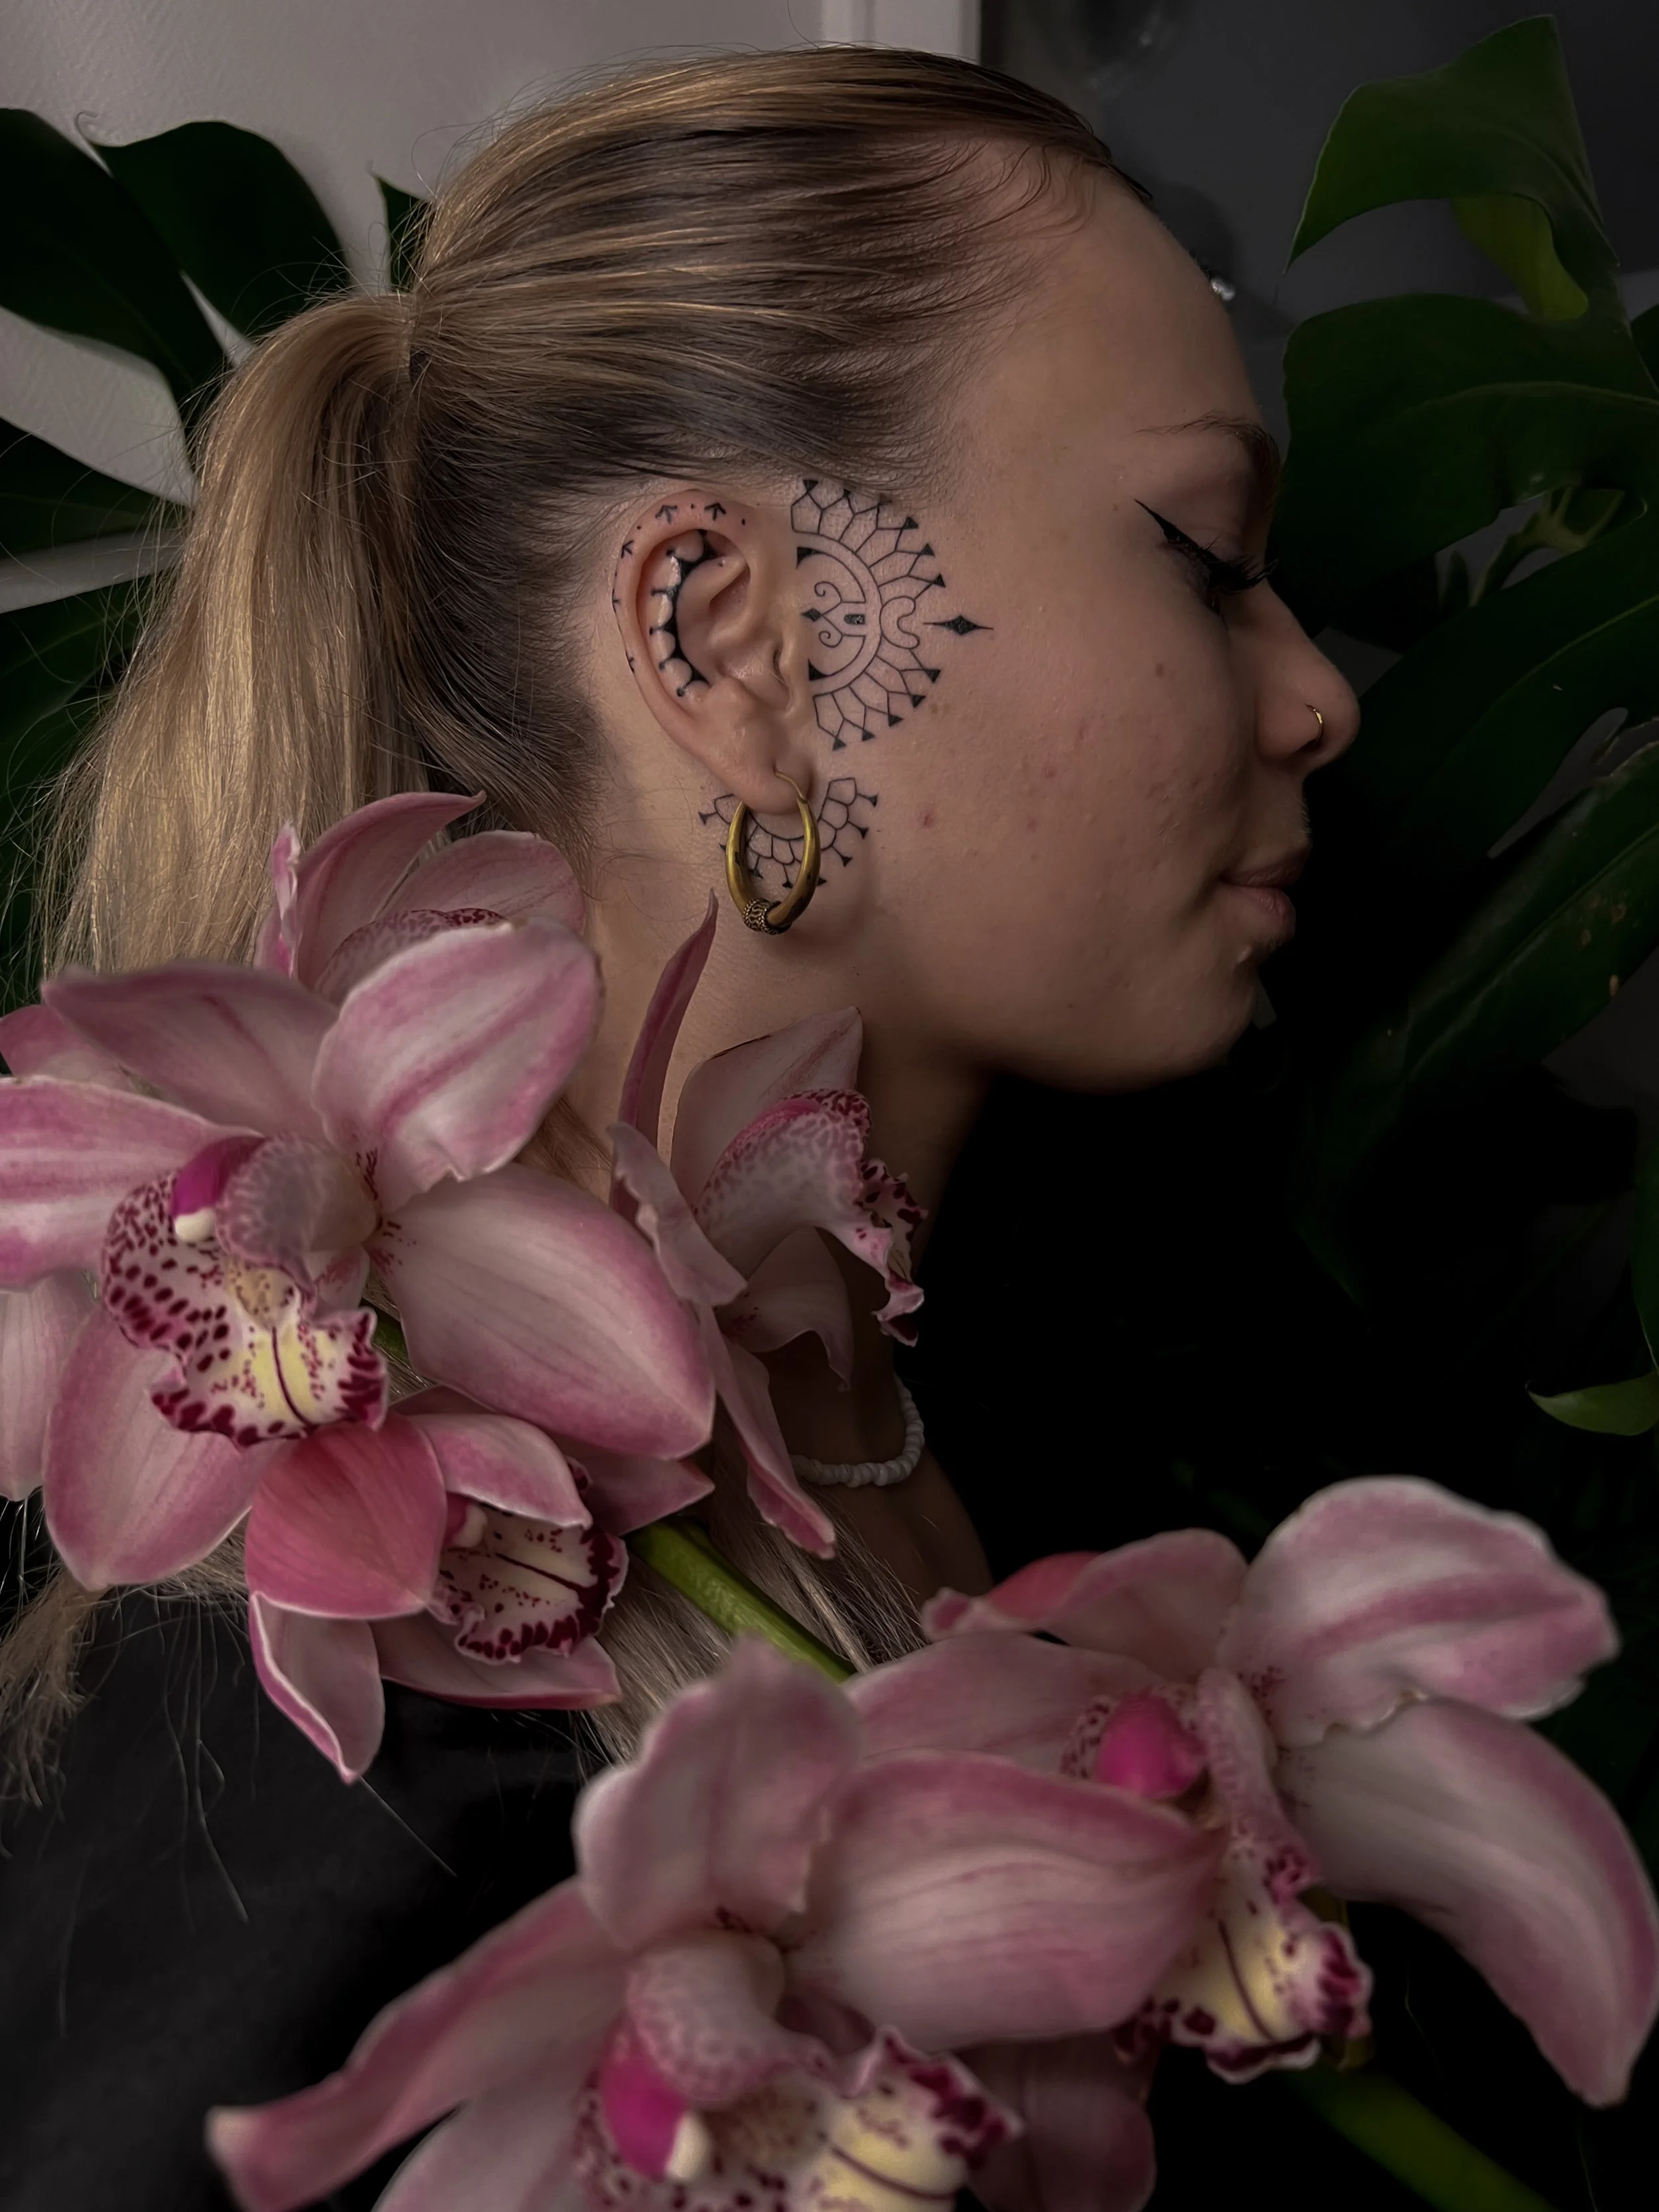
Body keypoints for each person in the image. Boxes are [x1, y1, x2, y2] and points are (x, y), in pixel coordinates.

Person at [0, 44, 1355, 2207]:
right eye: (1201, 557)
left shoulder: (992, 1416)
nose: (1318, 696)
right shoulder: (385, 1747)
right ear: (727, 644)